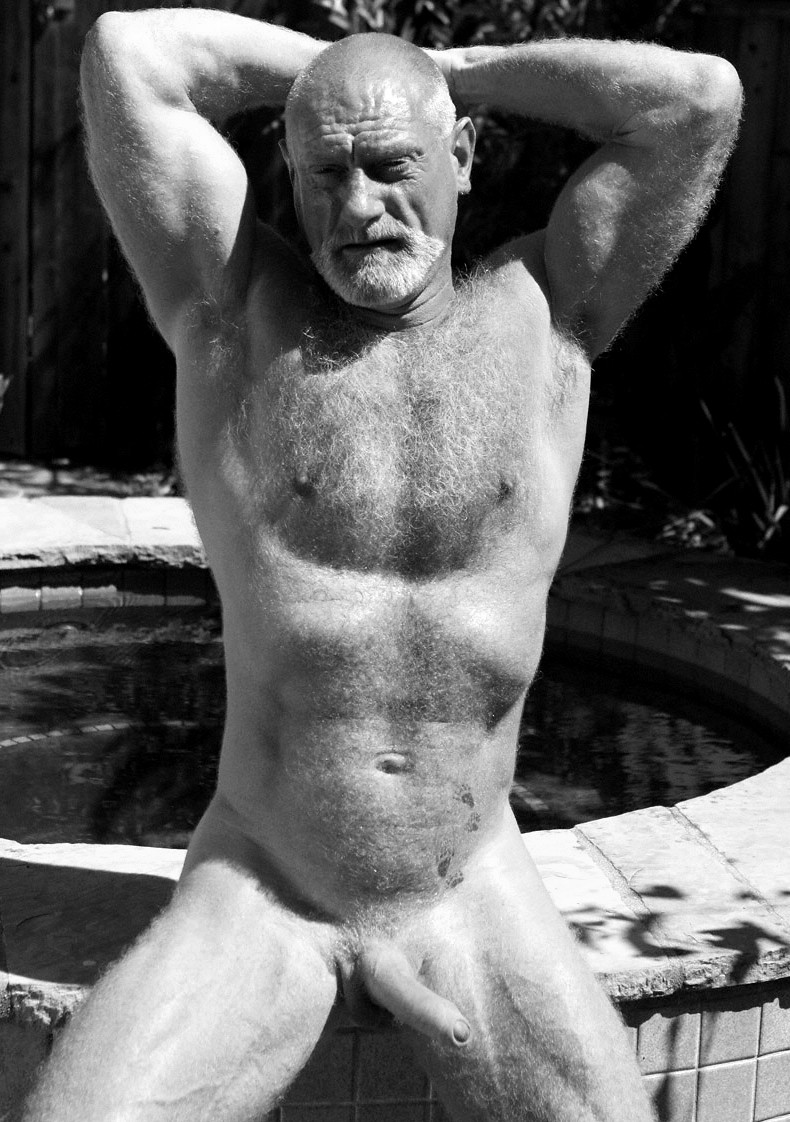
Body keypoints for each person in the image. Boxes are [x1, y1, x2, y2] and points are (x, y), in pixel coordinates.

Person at [25, 10, 741, 1121]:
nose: (359, 208)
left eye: (394, 165)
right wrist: (341, 78)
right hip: (263, 881)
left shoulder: (550, 315)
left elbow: (696, 102)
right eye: (325, 174)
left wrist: (447, 72)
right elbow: (131, 55)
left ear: (462, 155)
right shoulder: (231, 317)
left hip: (472, 882)